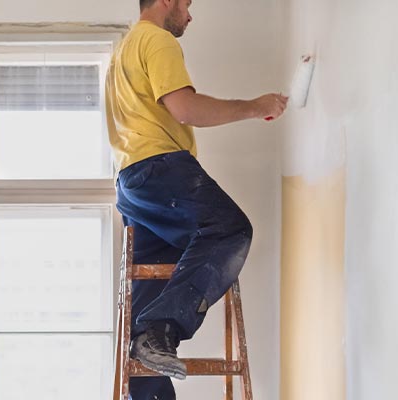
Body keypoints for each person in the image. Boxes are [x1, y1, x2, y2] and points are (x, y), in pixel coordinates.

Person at [105, 0, 288, 398]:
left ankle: (151, 338)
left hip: (132, 183)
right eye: (186, 4)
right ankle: (163, 328)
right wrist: (257, 106)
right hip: (161, 169)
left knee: (144, 316)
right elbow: (185, 109)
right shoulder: (157, 40)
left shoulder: (123, 48)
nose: (189, 15)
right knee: (229, 230)